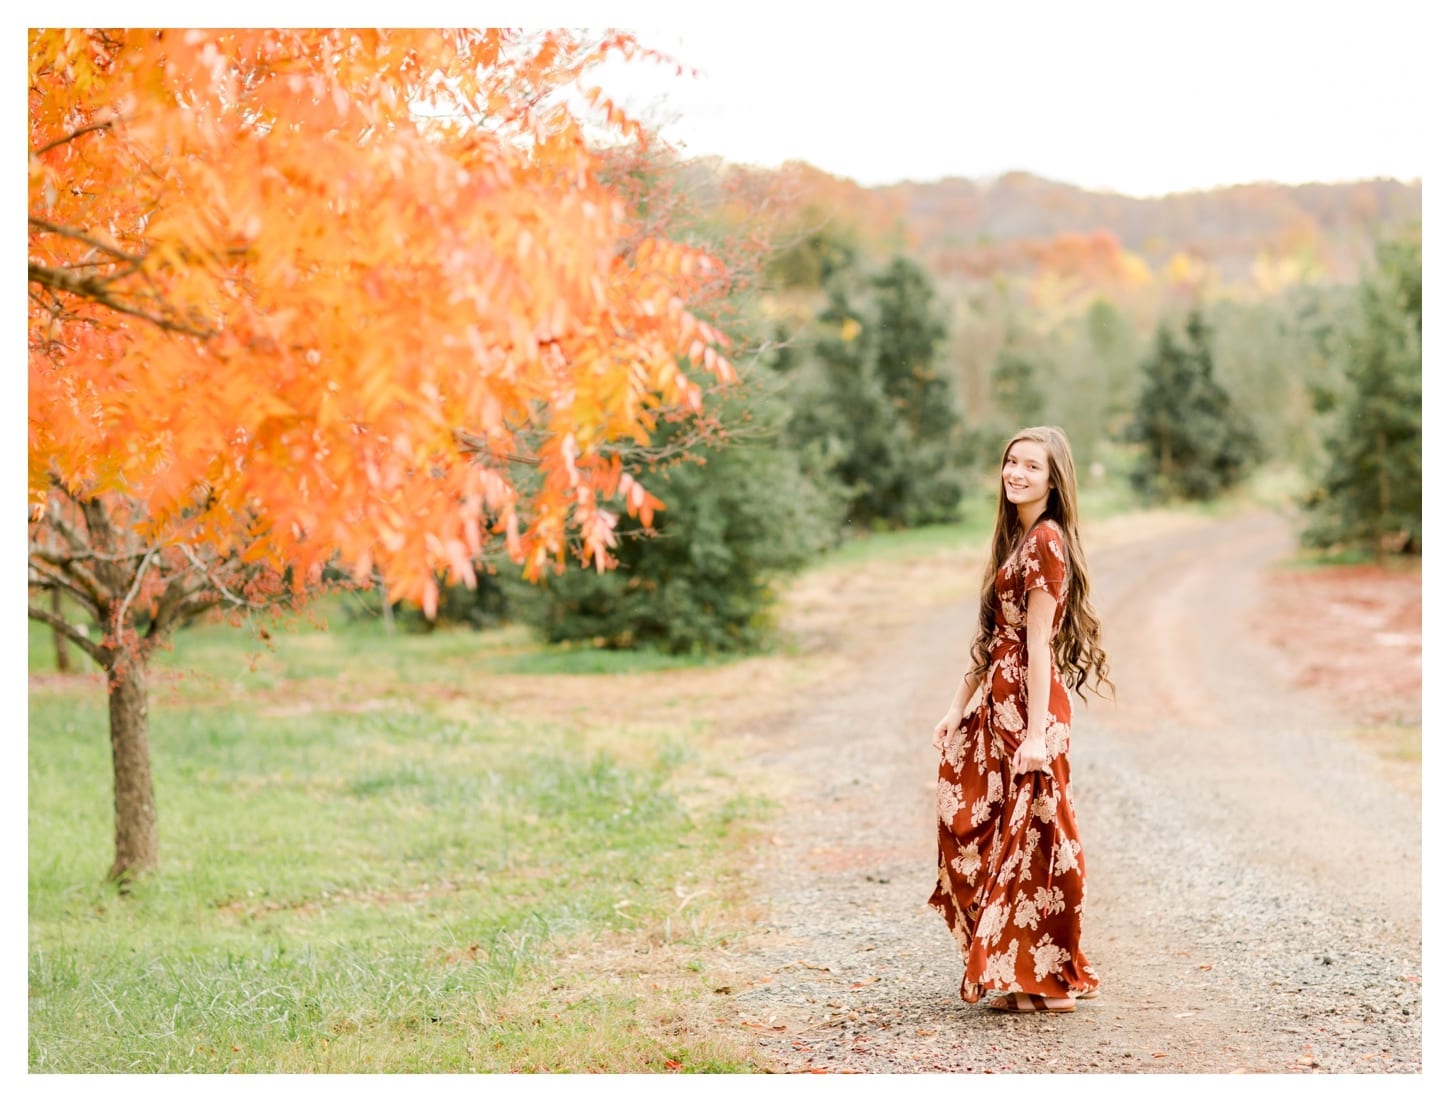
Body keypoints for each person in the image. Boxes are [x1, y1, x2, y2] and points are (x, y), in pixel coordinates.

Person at [928, 425, 1112, 1013]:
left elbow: (1037, 645)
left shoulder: (1047, 542)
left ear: (1054, 479)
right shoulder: (1017, 539)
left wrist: (1035, 734)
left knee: (1036, 833)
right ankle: (1021, 971)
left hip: (1029, 708)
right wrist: (957, 707)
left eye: (1031, 466)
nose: (1016, 473)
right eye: (1011, 462)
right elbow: (992, 639)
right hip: (997, 700)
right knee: (988, 824)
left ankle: (1051, 983)